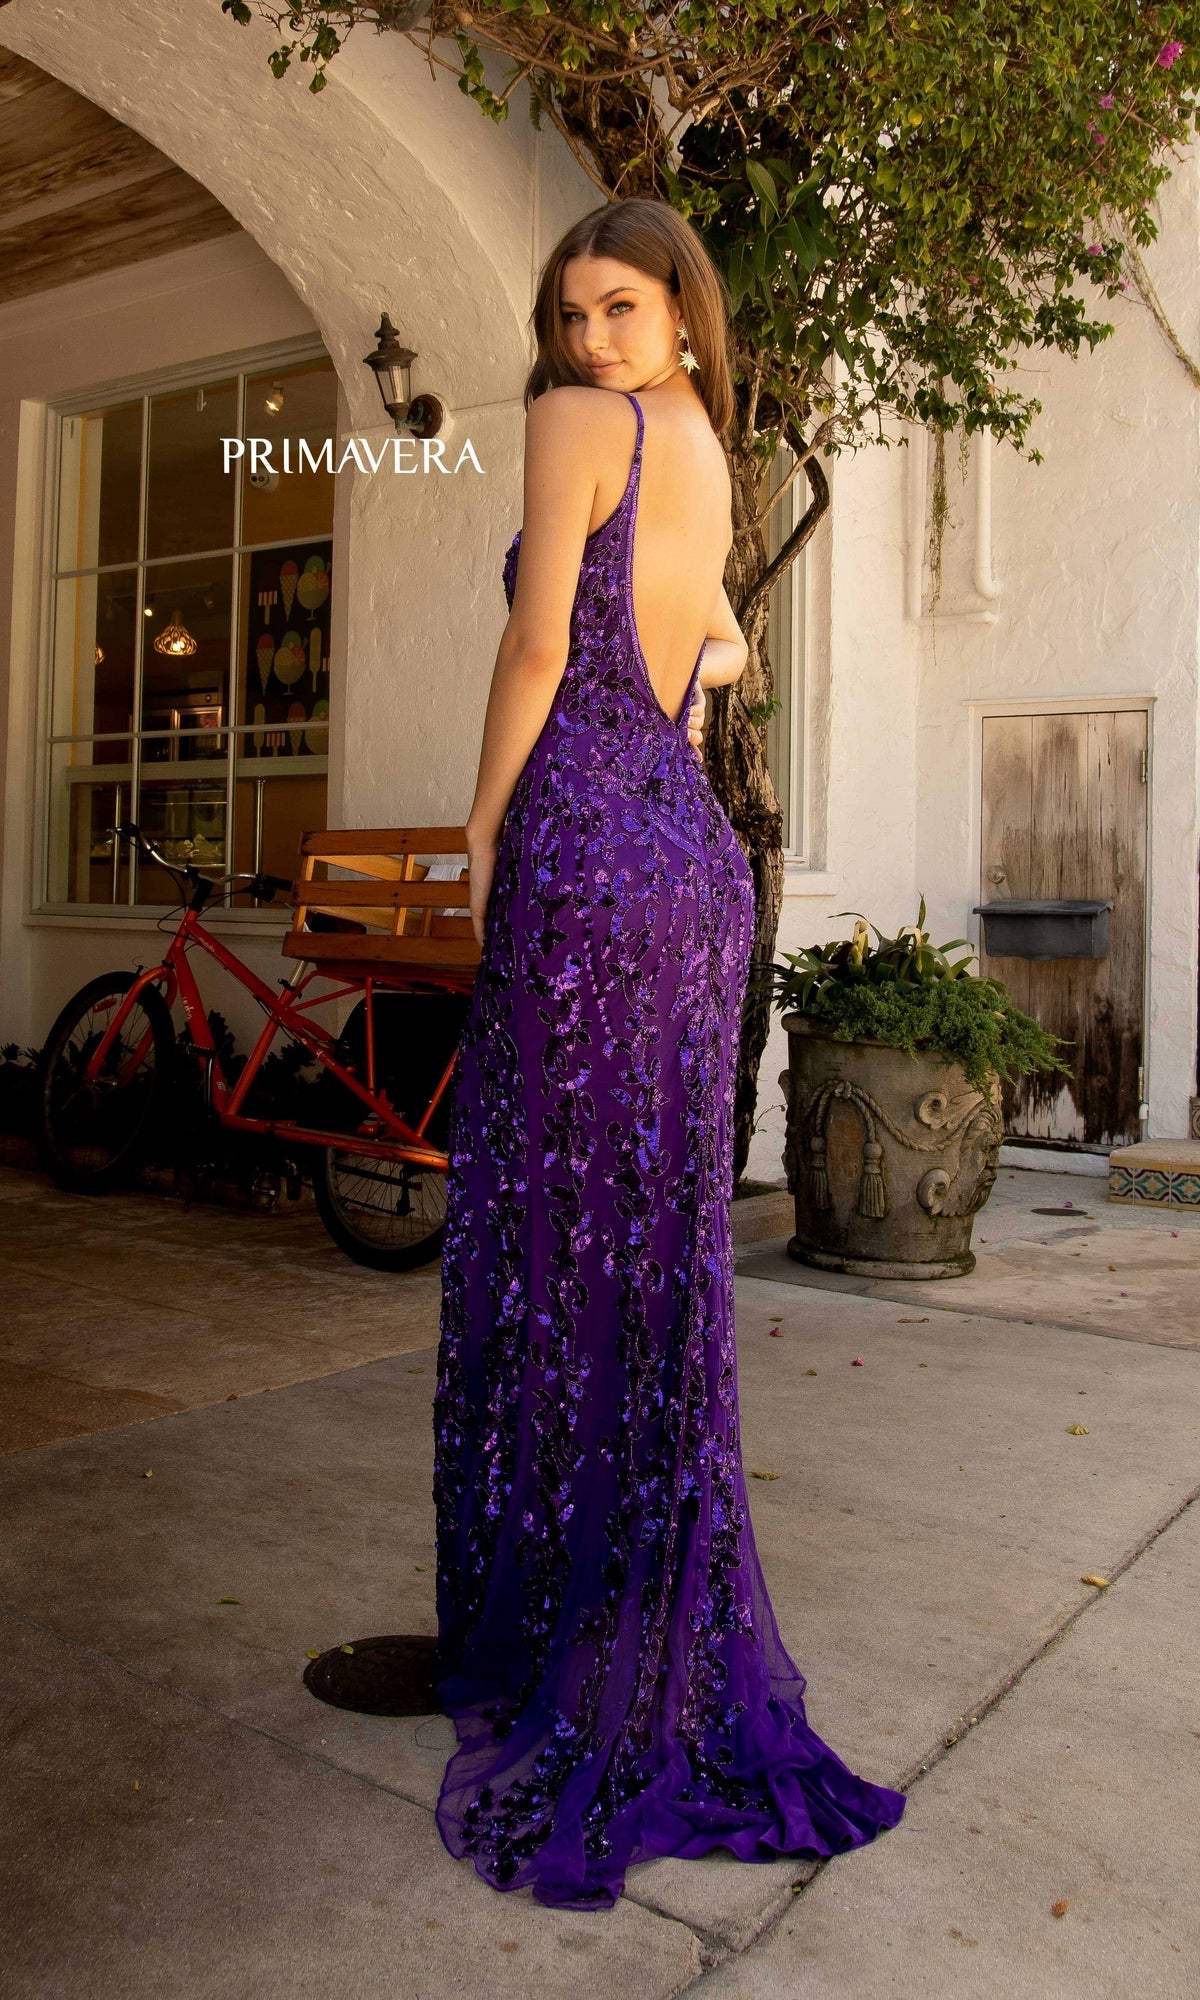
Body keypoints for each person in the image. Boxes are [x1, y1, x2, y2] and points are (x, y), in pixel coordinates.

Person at [432, 195, 905, 1911]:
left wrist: (479, 829)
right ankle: (629, 1638)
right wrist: (701, 655)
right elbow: (714, 649)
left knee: (562, 1254)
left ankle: (571, 1646)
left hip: (584, 854)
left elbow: (541, 640)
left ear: (686, 319)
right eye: (569, 318)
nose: (585, 342)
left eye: (619, 310)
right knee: (643, 1264)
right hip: (689, 872)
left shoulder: (583, 428)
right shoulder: (706, 441)